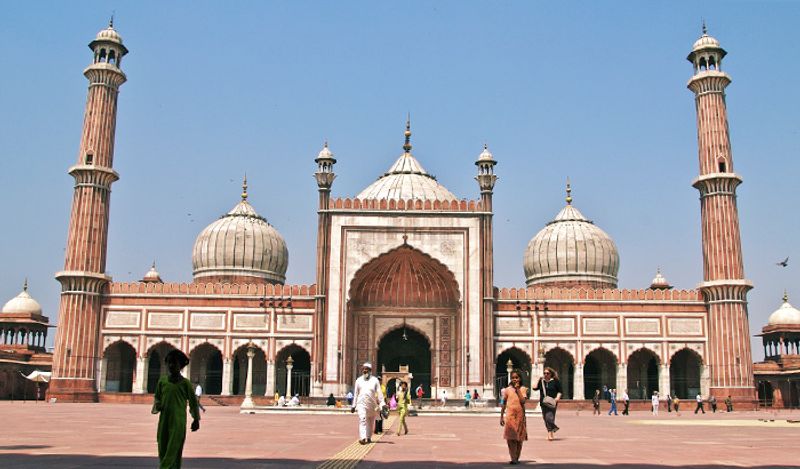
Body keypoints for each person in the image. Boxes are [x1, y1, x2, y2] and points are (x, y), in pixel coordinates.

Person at [152, 349, 200, 469]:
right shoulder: (162, 381)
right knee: (162, 448)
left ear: (181, 366)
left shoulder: (185, 384)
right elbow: (157, 397)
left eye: (175, 363)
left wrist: (196, 419)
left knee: (173, 449)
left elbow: (193, 402)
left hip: (178, 422)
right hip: (164, 420)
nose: (171, 365)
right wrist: (158, 405)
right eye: (169, 363)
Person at [351, 362, 386, 445]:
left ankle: (369, 437)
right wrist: (353, 405)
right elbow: (356, 393)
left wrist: (382, 404)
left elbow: (379, 393)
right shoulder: (358, 380)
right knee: (362, 419)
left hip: (372, 404)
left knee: (370, 421)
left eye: (367, 369)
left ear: (370, 370)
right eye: (364, 369)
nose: (365, 371)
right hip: (361, 403)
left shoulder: (375, 380)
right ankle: (363, 438)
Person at [500, 369, 528, 464]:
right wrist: (501, 416)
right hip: (510, 416)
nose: (515, 379)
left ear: (520, 379)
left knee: (519, 438)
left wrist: (517, 390)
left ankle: (516, 456)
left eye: (516, 377)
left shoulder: (523, 389)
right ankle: (513, 458)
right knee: (510, 437)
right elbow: (504, 403)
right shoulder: (507, 390)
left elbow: (523, 401)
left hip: (520, 416)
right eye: (513, 378)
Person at [531, 366, 562, 441]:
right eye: (544, 373)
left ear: (551, 374)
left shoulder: (555, 381)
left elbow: (560, 391)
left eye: (547, 373)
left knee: (549, 418)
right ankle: (551, 431)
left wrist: (557, 398)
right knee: (545, 418)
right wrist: (538, 378)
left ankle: (550, 433)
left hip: (552, 402)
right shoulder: (542, 382)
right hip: (543, 402)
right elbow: (534, 388)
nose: (546, 374)